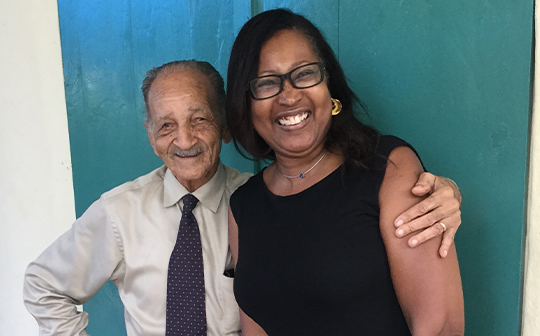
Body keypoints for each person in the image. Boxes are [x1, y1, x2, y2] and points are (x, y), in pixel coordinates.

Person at [24, 60, 460, 335]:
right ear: (150, 135)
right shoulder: (119, 212)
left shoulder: (258, 204)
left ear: (227, 125)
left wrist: (443, 192)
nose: (185, 140)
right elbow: (43, 284)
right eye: (166, 125)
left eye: (200, 119)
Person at [226, 9, 464, 336]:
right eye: (267, 83)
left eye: (305, 74)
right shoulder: (243, 205)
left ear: (330, 86)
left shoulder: (388, 168)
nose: (289, 95)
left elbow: (441, 327)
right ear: (247, 105)